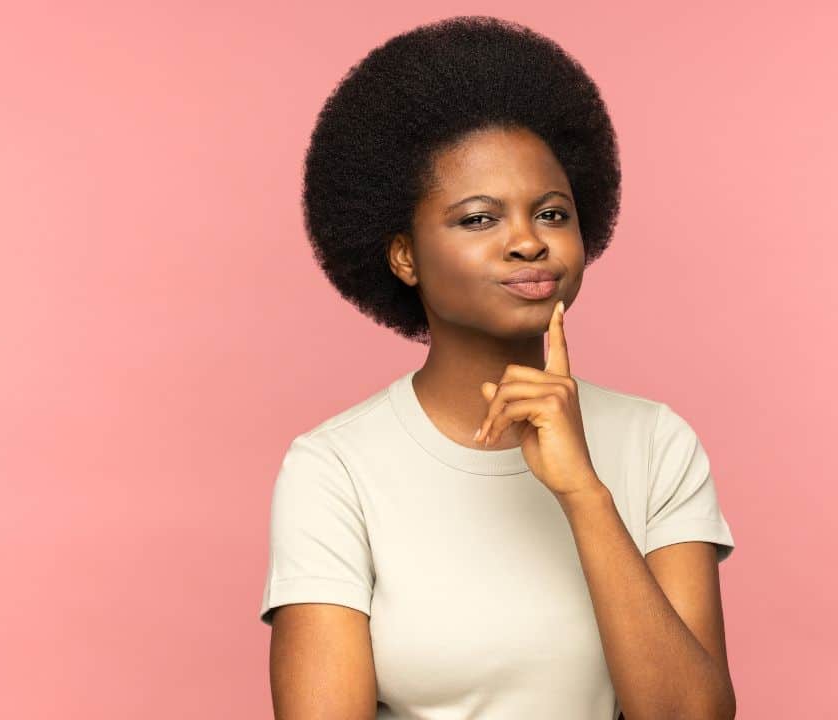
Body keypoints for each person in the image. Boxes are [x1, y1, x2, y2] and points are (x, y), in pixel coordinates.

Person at [260, 15, 738, 720]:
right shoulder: (335, 469)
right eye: (479, 218)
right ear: (404, 256)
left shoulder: (656, 444)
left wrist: (583, 494)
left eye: (551, 213)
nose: (527, 242)